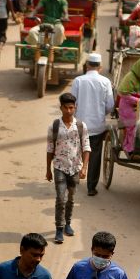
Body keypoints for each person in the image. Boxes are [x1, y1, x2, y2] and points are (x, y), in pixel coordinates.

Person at [46, 92, 90, 244]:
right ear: (61, 108)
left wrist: (84, 168)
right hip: (59, 166)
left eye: (71, 108)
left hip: (75, 168)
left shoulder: (80, 126)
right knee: (60, 198)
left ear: (75, 107)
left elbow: (86, 147)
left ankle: (68, 224)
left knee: (71, 199)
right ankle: (59, 228)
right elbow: (50, 149)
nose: (69, 111)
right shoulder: (54, 126)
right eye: (66, 108)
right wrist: (47, 169)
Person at [70, 52, 114, 196]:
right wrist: (101, 114)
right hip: (97, 125)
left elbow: (71, 103)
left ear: (87, 65)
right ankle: (91, 187)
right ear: (100, 67)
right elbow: (110, 106)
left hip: (79, 124)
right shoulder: (105, 82)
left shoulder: (78, 81)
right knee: (94, 155)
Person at [116, 56, 140, 154]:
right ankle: (132, 148)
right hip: (128, 106)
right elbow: (123, 94)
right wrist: (139, 100)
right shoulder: (130, 77)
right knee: (135, 123)